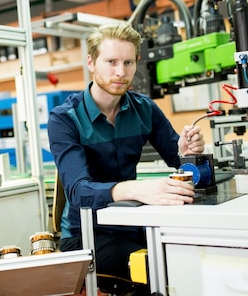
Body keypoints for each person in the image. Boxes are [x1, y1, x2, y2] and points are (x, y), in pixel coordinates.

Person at [47, 23, 204, 295]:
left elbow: (180, 161)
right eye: (111, 62)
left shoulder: (144, 109)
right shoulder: (64, 119)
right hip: (85, 234)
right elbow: (78, 191)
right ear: (91, 63)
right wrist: (137, 189)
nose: (121, 72)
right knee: (159, 265)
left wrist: (189, 152)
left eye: (128, 62)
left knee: (190, 251)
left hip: (131, 224)